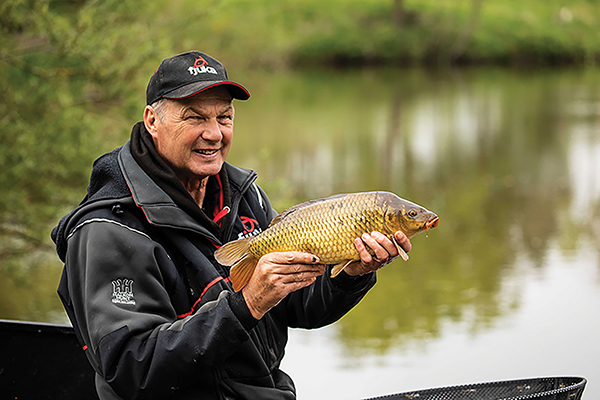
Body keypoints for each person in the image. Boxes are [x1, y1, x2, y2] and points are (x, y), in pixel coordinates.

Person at [51, 51, 412, 400]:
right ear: (152, 121)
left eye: (224, 117)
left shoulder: (243, 196)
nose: (214, 134)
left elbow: (298, 307)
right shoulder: (108, 229)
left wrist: (353, 273)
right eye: (194, 118)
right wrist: (247, 303)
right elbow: (133, 369)